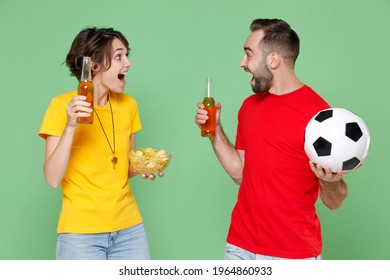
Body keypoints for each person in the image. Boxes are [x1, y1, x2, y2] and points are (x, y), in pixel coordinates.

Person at [195, 18, 348, 260]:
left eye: (248, 54)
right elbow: (240, 174)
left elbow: (334, 202)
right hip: (240, 247)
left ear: (273, 60)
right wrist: (214, 131)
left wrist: (329, 181)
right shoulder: (249, 107)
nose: (242, 63)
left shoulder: (320, 118)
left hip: (293, 255)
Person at [38, 27, 162, 260]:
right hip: (80, 234)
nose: (128, 63)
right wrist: (71, 126)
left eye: (126, 55)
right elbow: (52, 178)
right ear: (93, 65)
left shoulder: (129, 105)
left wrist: (145, 166)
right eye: (118, 57)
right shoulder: (61, 106)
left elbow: (125, 167)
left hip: (129, 229)